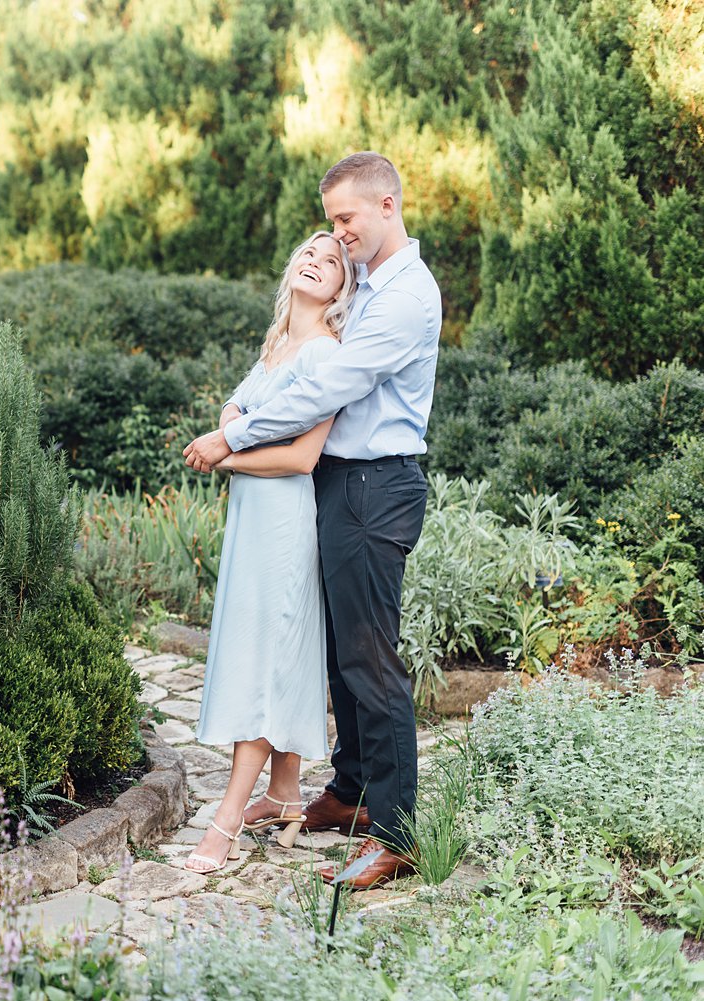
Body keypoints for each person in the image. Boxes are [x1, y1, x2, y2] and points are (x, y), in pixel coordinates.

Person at [183, 152, 441, 888]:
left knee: (370, 659)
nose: (339, 233)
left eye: (346, 219)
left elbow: (330, 382)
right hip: (342, 483)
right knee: (337, 655)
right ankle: (350, 792)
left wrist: (232, 436)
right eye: (332, 222)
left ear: (387, 205)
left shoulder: (405, 297)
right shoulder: (370, 286)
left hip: (374, 485)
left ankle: (396, 836)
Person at [182, 230, 354, 875]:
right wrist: (229, 432)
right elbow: (236, 405)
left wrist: (226, 455)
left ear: (342, 288)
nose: (316, 262)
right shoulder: (279, 344)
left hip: (284, 522)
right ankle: (284, 794)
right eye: (309, 253)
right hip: (252, 521)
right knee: (276, 650)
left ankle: (226, 818)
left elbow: (302, 456)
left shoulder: (327, 353)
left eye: (331, 261)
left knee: (266, 656)